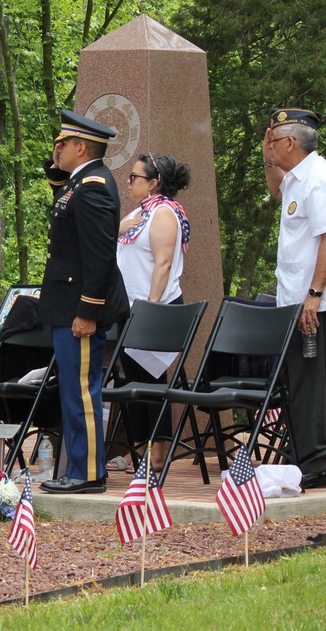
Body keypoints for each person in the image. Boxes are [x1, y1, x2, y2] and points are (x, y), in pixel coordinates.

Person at [37, 110, 129, 494]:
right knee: (72, 390)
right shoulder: (80, 182)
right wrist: (56, 164)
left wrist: (88, 311)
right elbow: (61, 191)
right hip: (67, 303)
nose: (56, 148)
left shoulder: (92, 188)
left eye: (62, 143)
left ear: (81, 146)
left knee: (82, 392)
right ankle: (78, 467)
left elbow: (100, 256)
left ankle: (89, 472)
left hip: (81, 306)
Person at [262, 107, 326, 490]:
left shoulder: (319, 180)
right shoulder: (297, 179)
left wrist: (314, 295)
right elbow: (278, 191)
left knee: (309, 383)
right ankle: (298, 460)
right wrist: (267, 161)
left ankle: (311, 466)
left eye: (274, 140)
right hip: (295, 300)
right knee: (295, 382)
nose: (271, 145)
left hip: (316, 304)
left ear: (291, 142)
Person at [115, 153, 191, 470]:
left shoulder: (163, 214)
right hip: (131, 307)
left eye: (135, 177)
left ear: (154, 183)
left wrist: (150, 307)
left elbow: (162, 264)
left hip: (155, 308)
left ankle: (158, 452)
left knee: (153, 380)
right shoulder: (139, 214)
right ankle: (138, 448)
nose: (129, 181)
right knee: (133, 380)